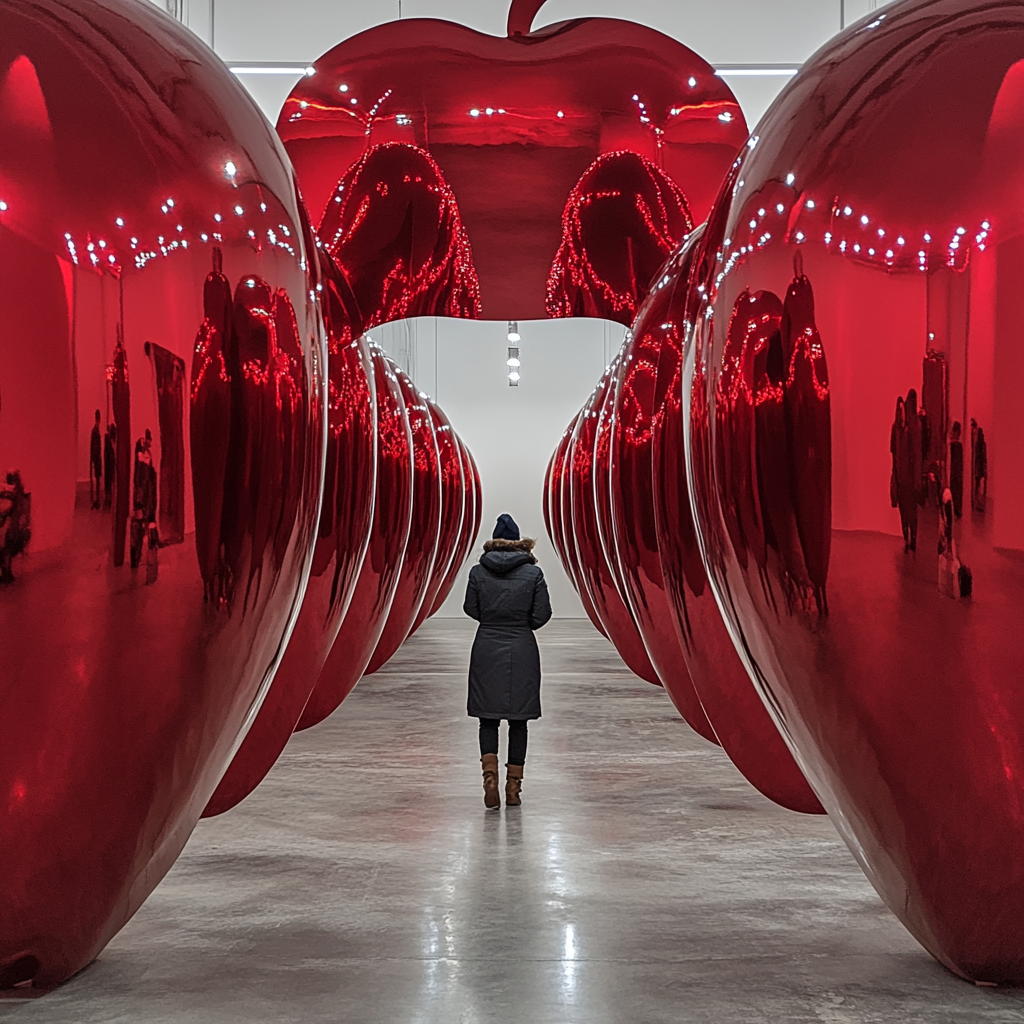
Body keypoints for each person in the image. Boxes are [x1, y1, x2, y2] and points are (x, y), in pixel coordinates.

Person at [464, 513, 552, 809]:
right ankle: (513, 787)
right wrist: (519, 624)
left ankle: (488, 778)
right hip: (522, 648)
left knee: (486, 719)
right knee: (519, 722)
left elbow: (470, 607)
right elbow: (542, 615)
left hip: (486, 646)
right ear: (519, 543)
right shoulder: (533, 574)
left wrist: (492, 621)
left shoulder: (478, 572)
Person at [89, 410, 103, 509]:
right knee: (96, 479)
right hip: (96, 457)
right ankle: (95, 500)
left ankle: (96, 499)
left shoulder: (95, 430)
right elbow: (94, 446)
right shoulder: (95, 431)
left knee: (96, 479)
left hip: (96, 457)